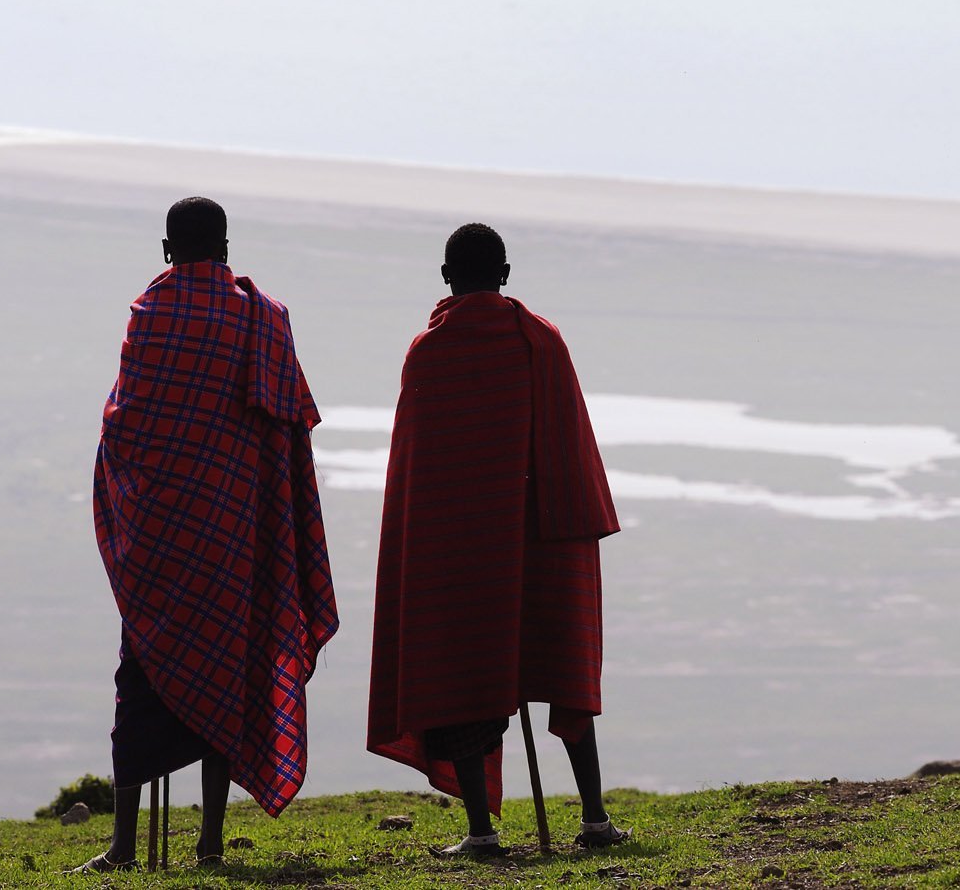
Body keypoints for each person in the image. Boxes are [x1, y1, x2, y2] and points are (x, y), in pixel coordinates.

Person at [75, 197, 340, 873]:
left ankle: (124, 848)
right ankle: (211, 844)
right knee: (228, 671)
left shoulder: (152, 314)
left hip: (161, 543)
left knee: (140, 680)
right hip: (234, 535)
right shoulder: (264, 318)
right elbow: (288, 432)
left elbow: (123, 427)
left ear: (168, 248)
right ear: (225, 246)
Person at [367, 223, 631, 856]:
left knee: (466, 676)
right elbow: (571, 452)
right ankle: (595, 820)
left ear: (446, 277)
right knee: (563, 670)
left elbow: (418, 480)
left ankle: (482, 832)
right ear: (506, 272)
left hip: (463, 550)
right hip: (547, 537)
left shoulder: (430, 352)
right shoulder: (542, 340)